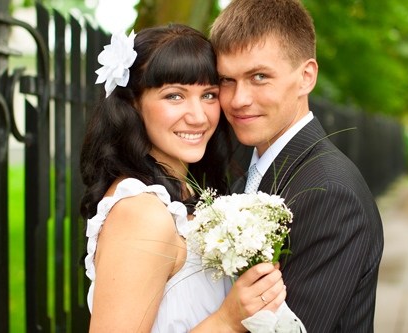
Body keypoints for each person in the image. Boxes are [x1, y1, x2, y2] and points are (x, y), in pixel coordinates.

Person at [80, 24, 287, 332]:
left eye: (208, 95)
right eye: (174, 96)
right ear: (133, 104)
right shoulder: (142, 213)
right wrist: (227, 321)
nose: (199, 116)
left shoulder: (183, 195)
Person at [210, 0, 384, 332]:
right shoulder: (249, 170)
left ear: (306, 77)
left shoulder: (331, 193)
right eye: (226, 80)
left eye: (259, 76)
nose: (237, 99)